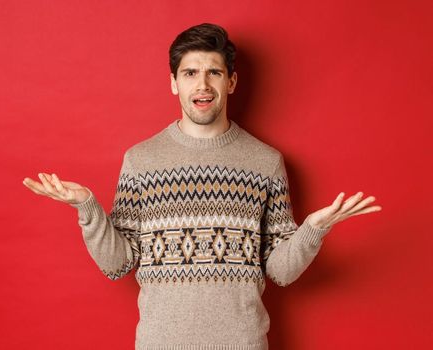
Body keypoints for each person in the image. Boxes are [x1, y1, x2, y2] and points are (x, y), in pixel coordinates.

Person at [21, 23, 381, 349]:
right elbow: (118, 263)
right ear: (174, 82)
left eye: (214, 72)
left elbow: (280, 271)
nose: (203, 84)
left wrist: (313, 230)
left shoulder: (265, 162)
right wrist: (87, 207)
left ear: (231, 82)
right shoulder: (141, 160)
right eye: (190, 73)